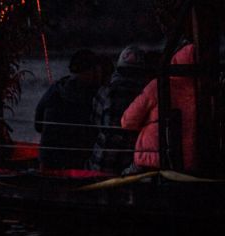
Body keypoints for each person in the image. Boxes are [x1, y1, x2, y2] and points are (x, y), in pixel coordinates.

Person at [121, 43, 197, 173]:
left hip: (151, 159)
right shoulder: (203, 92)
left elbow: (127, 121)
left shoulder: (158, 85)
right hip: (188, 165)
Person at [34, 50, 107, 170]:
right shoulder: (94, 96)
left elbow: (37, 124)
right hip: (78, 162)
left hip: (47, 160)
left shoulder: (55, 89)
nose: (100, 74)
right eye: (98, 71)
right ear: (89, 71)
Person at [86, 46, 150, 173]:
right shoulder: (147, 95)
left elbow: (94, 123)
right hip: (132, 165)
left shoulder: (104, 92)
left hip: (100, 162)